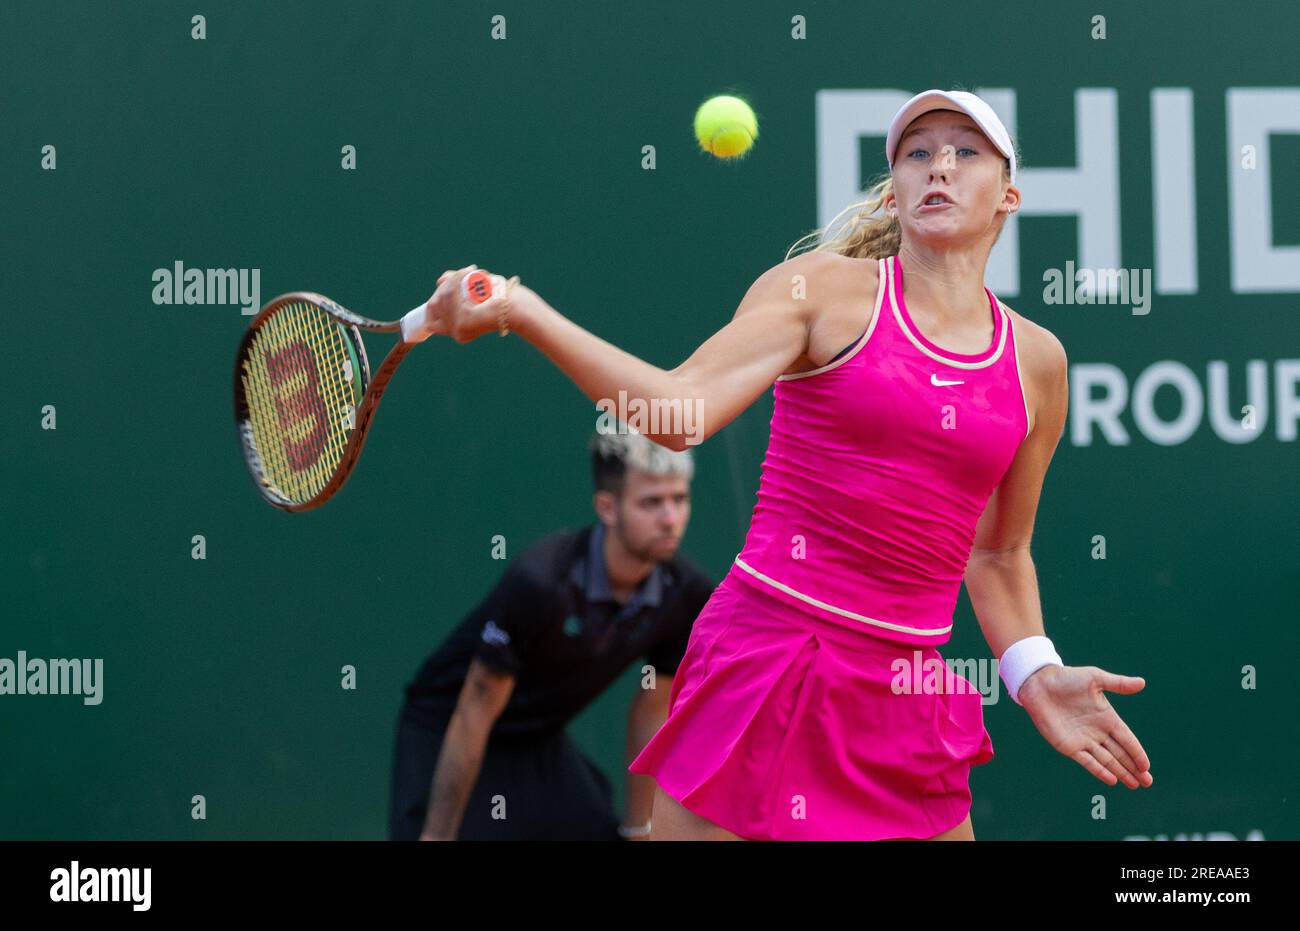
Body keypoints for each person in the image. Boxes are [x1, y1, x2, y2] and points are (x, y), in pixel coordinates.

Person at [412, 87, 1154, 841]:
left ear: (1008, 197)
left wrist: (1034, 673)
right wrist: (521, 309)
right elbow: (679, 413)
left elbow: (998, 550)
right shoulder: (821, 292)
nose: (939, 167)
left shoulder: (1037, 363)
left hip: (906, 689)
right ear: (894, 193)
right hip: (767, 662)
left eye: (965, 152)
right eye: (917, 153)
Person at [388, 429, 715, 841]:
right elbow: (474, 711)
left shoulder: (685, 594)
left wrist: (639, 828)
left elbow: (652, 711)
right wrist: (436, 837)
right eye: (651, 502)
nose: (670, 519)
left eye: (679, 499)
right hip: (447, 730)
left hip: (535, 739)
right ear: (607, 507)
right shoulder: (541, 581)